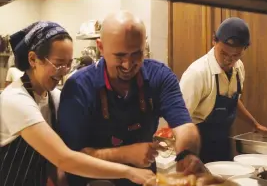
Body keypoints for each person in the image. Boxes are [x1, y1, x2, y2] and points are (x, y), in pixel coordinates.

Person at [58, 11, 204, 186]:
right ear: (101, 47)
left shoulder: (160, 76)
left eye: (136, 54)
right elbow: (71, 157)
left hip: (145, 181)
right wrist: (126, 154)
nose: (128, 64)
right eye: (119, 56)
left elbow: (184, 126)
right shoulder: (79, 87)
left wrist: (186, 155)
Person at [0, 21, 155, 186]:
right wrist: (130, 172)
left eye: (69, 64)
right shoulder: (15, 100)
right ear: (33, 59)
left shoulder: (54, 97)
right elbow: (63, 158)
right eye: (59, 63)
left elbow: (54, 160)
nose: (65, 71)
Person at [179, 17, 267, 164]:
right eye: (224, 53)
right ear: (214, 41)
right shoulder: (197, 74)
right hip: (197, 147)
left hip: (223, 143)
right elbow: (179, 121)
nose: (229, 60)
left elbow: (233, 100)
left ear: (244, 49)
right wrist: (184, 156)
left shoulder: (238, 67)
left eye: (236, 55)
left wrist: (255, 124)